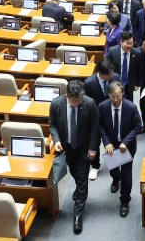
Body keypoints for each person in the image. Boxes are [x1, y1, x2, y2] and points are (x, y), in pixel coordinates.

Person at [48, 80, 99, 234]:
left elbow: (95, 127)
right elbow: (52, 124)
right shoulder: (56, 104)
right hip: (66, 148)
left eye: (80, 99)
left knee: (82, 179)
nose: (78, 103)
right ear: (67, 96)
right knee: (74, 173)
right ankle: (79, 191)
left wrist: (93, 148)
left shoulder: (89, 103)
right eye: (75, 100)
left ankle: (77, 215)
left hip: (84, 148)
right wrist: (56, 140)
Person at [98, 81, 142, 217]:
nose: (115, 99)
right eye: (112, 96)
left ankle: (125, 201)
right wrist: (106, 142)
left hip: (126, 146)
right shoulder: (102, 107)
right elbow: (100, 126)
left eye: (118, 96)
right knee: (113, 169)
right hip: (111, 145)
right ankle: (116, 179)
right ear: (108, 95)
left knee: (126, 174)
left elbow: (138, 127)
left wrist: (126, 142)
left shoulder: (131, 107)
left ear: (122, 93)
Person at [84, 58, 120, 181]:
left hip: (112, 116)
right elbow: (87, 103)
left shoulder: (115, 77)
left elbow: (120, 95)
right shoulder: (89, 83)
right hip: (95, 118)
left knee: (112, 142)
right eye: (109, 74)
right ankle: (95, 166)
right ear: (102, 74)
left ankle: (115, 167)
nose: (112, 76)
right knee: (94, 141)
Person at [106, 31, 142, 101]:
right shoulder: (112, 51)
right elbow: (107, 66)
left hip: (129, 84)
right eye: (127, 43)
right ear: (121, 42)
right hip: (115, 83)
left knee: (129, 103)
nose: (130, 46)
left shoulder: (137, 53)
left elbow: (139, 69)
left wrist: (138, 83)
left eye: (131, 43)